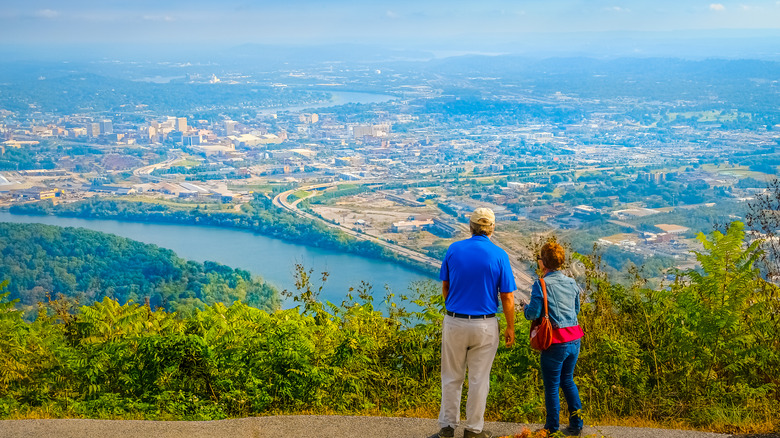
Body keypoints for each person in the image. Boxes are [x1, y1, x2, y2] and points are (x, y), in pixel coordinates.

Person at [429, 207, 516, 438]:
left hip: (455, 321)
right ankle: (474, 429)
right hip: (485, 325)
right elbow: (507, 296)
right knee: (479, 379)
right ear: (492, 229)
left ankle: (447, 428)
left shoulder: (454, 249)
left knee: (451, 376)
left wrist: (454, 308)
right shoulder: (500, 255)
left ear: (470, 226)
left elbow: (445, 287)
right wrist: (510, 326)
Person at [523, 241, 584, 436]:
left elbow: (533, 314)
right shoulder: (572, 282)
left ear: (543, 263)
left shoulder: (541, 284)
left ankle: (551, 428)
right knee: (568, 381)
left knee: (551, 386)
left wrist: (524, 308)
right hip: (575, 338)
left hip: (555, 342)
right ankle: (576, 423)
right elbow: (576, 310)